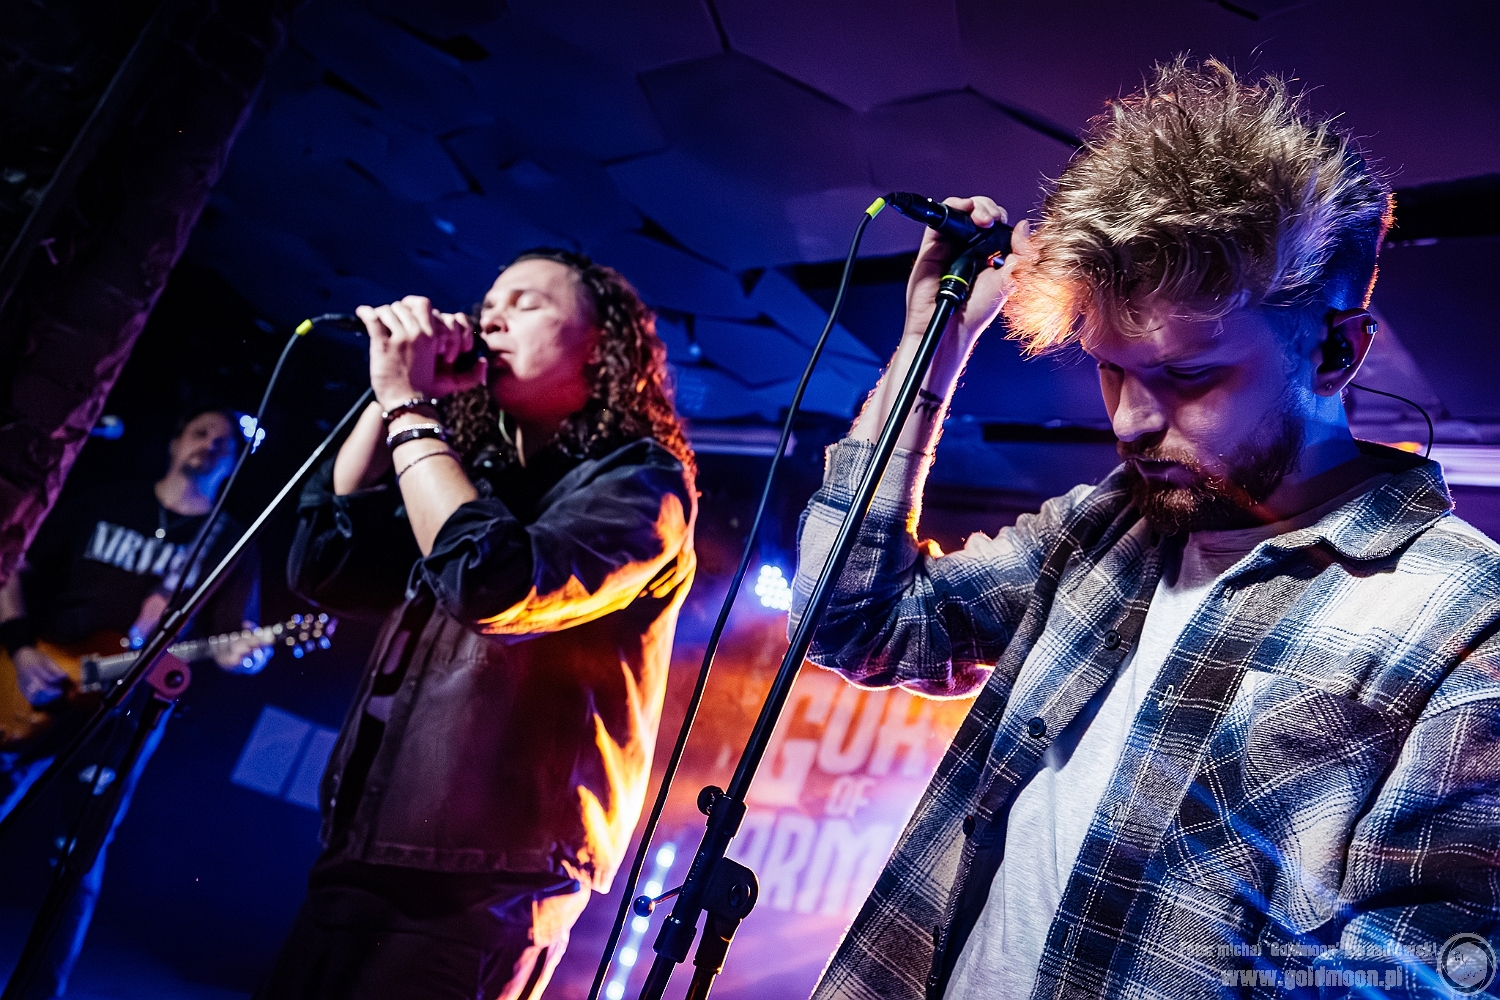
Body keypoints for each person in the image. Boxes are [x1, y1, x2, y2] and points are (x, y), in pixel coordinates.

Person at [792, 59, 1500, 1000]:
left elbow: (1428, 975)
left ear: (1336, 350)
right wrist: (935, 343)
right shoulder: (1108, 525)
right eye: (1109, 367)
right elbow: (853, 619)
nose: (1128, 421)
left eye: (1189, 375)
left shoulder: (1467, 622)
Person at [264, 248, 697, 1000]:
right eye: (490, 302)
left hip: (489, 887)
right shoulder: (471, 471)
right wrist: (390, 395)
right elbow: (325, 563)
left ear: (601, 346)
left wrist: (409, 411)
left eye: (527, 304)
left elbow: (492, 585)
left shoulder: (644, 485)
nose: (491, 318)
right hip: (359, 856)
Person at [0, 405, 270, 998]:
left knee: (78, 855)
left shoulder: (227, 543)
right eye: (199, 431)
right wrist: (19, 649)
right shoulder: (107, 501)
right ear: (175, 440)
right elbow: (12, 563)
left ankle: (38, 991)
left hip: (123, 714)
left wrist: (249, 654)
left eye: (224, 443)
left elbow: (233, 641)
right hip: (35, 680)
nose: (209, 444)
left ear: (233, 464)